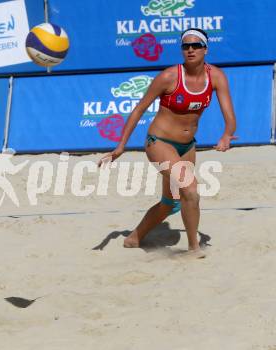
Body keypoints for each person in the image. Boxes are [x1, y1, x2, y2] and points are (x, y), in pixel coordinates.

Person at [99, 28, 237, 257]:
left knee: (171, 203)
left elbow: (229, 117)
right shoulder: (169, 76)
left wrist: (226, 135)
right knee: (191, 190)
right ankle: (194, 249)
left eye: (196, 45)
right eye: (186, 46)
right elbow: (138, 110)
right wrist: (120, 146)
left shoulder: (217, 76)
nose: (190, 49)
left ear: (206, 49)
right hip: (159, 142)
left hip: (187, 146)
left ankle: (134, 238)